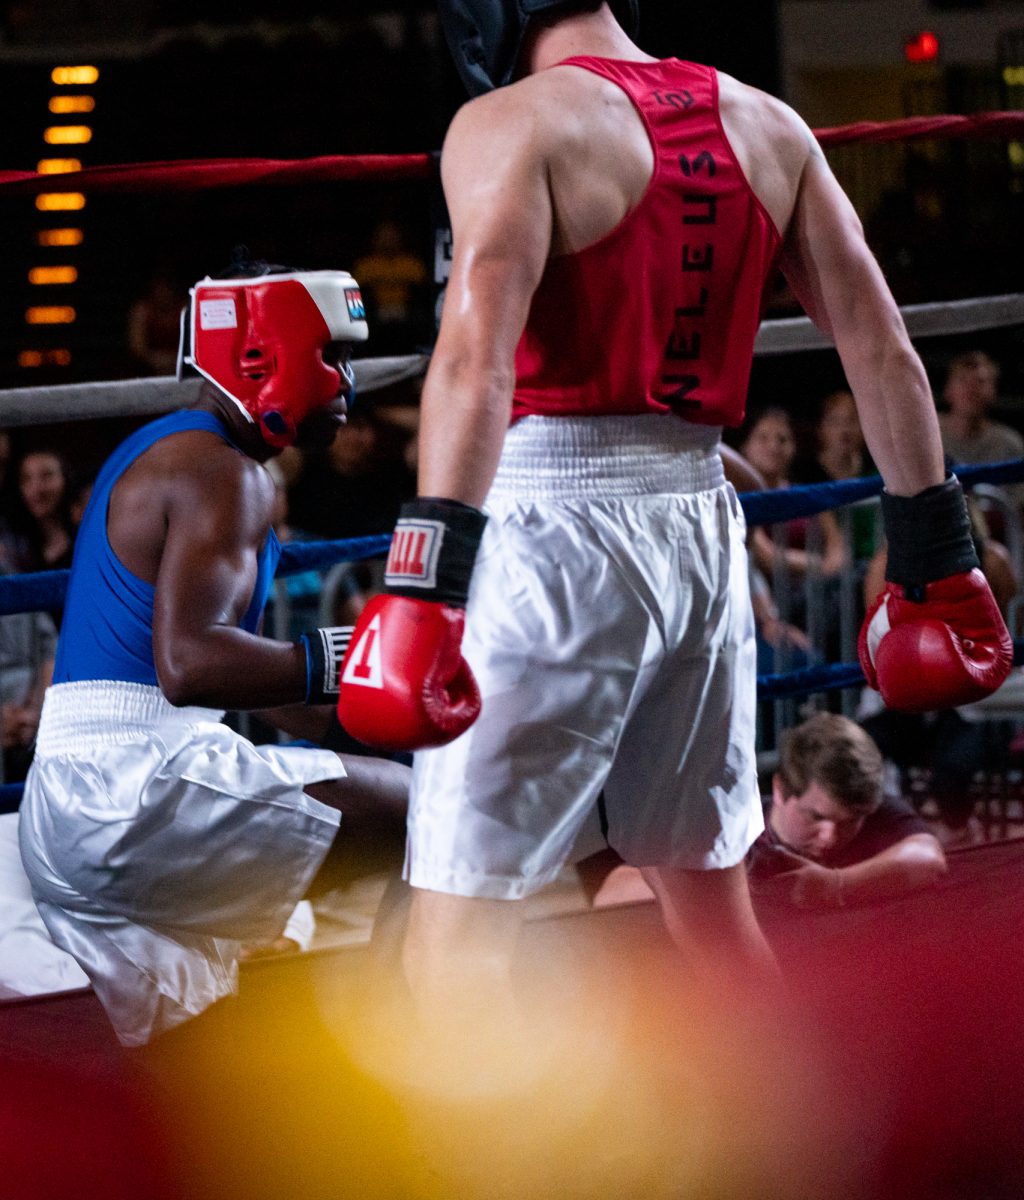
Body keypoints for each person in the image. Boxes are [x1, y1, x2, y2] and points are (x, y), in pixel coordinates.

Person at [336, 0, 1011, 1033]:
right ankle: (792, 1152)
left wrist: (425, 578)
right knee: (710, 904)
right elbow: (883, 348)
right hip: (699, 528)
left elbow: (472, 363)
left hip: (547, 527)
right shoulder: (766, 122)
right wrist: (936, 553)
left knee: (456, 937)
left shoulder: (515, 122)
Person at [18, 264, 411, 1047]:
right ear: (261, 357)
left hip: (90, 791)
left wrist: (387, 710)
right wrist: (356, 654)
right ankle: (398, 1050)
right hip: (138, 790)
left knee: (190, 1046)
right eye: (330, 354)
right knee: (426, 818)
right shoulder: (223, 473)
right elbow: (191, 667)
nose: (347, 381)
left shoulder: (172, 449)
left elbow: (250, 682)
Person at [747, 712, 947, 910]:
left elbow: (931, 860)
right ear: (780, 789)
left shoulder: (869, 810)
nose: (830, 838)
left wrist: (838, 884)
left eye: (850, 822)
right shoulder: (739, 833)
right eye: (816, 817)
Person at [937, 350, 1024, 515]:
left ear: (993, 391)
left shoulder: (1009, 444)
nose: (971, 388)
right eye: (963, 380)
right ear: (948, 389)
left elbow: (1018, 512)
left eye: (980, 381)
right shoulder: (929, 436)